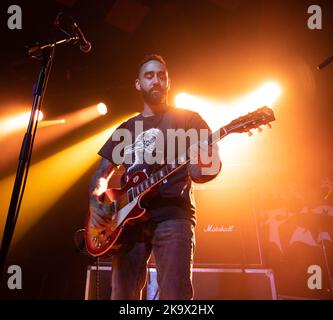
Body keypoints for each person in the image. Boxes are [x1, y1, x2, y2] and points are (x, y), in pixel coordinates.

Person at [89, 54, 222, 300]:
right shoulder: (126, 128)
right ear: (138, 83)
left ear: (168, 82)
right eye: (149, 76)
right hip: (126, 222)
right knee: (122, 295)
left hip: (173, 214)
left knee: (174, 295)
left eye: (162, 75)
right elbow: (101, 173)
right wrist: (96, 199)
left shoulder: (189, 120)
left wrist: (207, 163)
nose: (156, 81)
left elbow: (200, 172)